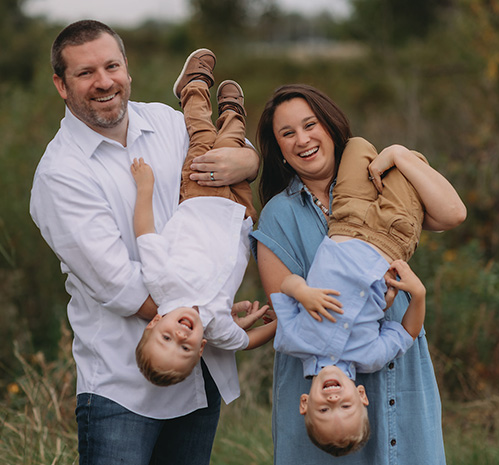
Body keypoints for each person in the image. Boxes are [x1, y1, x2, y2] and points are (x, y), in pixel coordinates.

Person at [29, 20, 261, 465]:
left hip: (198, 375)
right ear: (61, 84)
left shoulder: (166, 121)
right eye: (85, 73)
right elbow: (124, 288)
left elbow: (226, 159)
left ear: (127, 69)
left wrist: (248, 161)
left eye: (112, 66)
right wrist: (205, 316)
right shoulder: (61, 175)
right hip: (121, 391)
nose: (104, 82)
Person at [251, 84, 467, 464]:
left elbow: (452, 214)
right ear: (280, 150)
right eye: (287, 134)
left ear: (330, 128)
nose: (302, 139)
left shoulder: (374, 178)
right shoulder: (278, 215)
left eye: (310, 125)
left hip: (401, 372)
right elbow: (283, 300)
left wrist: (399, 155)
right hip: (323, 398)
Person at [270, 136, 431, 456]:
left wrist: (302, 292)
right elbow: (407, 333)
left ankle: (393, 155)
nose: (333, 402)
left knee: (356, 145)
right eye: (346, 406)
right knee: (412, 166)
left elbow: (284, 286)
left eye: (325, 410)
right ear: (361, 395)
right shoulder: (370, 356)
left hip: (345, 221)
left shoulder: (292, 340)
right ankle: (402, 155)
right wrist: (419, 295)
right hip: (393, 239)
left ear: (305, 403)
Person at [130, 49, 275, 386]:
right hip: (239, 213)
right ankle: (233, 111)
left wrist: (145, 187)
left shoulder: (163, 286)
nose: (181, 334)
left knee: (202, 133)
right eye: (184, 347)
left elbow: (145, 233)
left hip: (198, 196)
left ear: (154, 325)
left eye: (167, 338)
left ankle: (192, 87)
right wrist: (283, 322)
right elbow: (248, 341)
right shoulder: (219, 328)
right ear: (201, 350)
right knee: (233, 139)